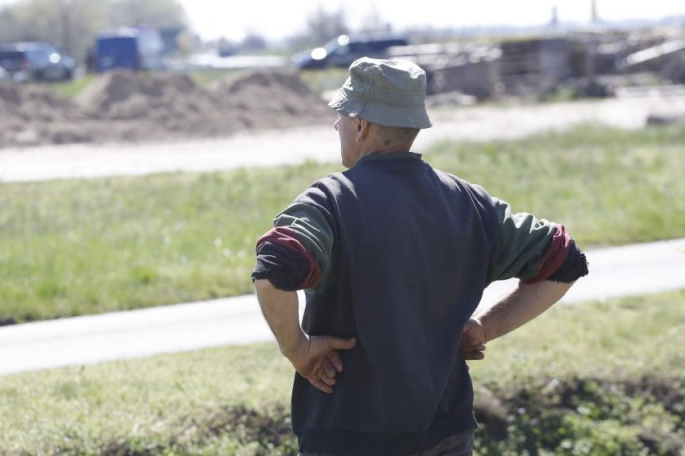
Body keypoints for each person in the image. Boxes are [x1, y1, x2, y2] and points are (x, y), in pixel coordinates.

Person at [252, 58, 588, 456]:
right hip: (447, 430)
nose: (335, 125)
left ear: (360, 126)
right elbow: (565, 260)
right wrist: (485, 328)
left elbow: (274, 270)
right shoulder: (468, 201)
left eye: (341, 114)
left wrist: (298, 349)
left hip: (349, 435)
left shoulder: (329, 201)